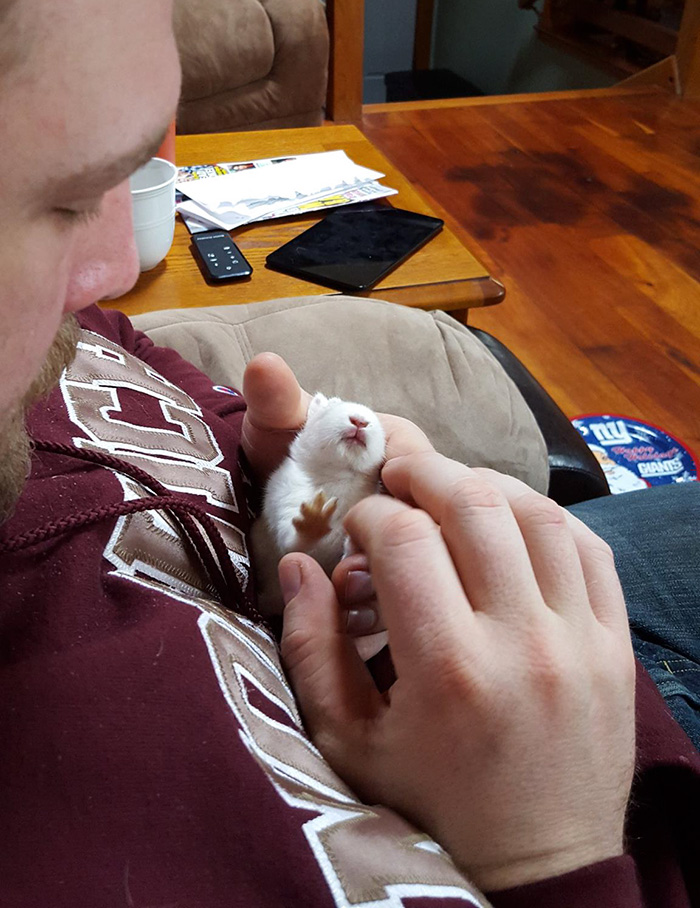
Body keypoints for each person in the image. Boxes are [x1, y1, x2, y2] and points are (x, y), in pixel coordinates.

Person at [0, 2, 697, 907]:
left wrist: (254, 455)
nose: (113, 264)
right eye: (60, 200)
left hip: (481, 665)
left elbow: (113, 342)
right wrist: (550, 855)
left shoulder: (49, 339)